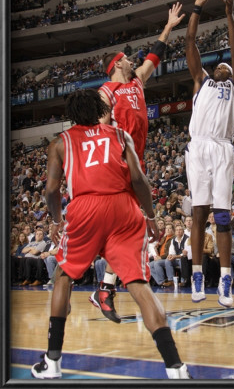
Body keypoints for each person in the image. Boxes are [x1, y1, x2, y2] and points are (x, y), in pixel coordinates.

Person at [31, 90, 191, 380]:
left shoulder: (60, 143)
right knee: (139, 284)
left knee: (64, 276)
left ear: (71, 114)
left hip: (85, 207)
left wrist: (56, 221)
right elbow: (138, 180)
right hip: (123, 207)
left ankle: (52, 362)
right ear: (98, 109)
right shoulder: (119, 135)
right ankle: (176, 368)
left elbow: (52, 190)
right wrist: (150, 215)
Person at [91, 2, 185, 321]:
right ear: (118, 64)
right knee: (131, 227)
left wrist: (169, 25)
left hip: (135, 162)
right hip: (117, 164)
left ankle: (105, 287)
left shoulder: (137, 82)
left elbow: (156, 54)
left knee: (134, 229)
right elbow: (99, 128)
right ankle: (105, 286)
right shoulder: (106, 92)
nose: (135, 61)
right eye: (129, 59)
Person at [185, 0, 234, 306]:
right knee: (198, 214)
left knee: (222, 217)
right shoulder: (202, 80)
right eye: (221, 66)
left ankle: (225, 279)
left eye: (229, 68)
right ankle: (197, 274)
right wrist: (198, 6)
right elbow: (190, 42)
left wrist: (229, 15)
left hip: (223, 149)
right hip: (198, 148)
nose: (225, 66)